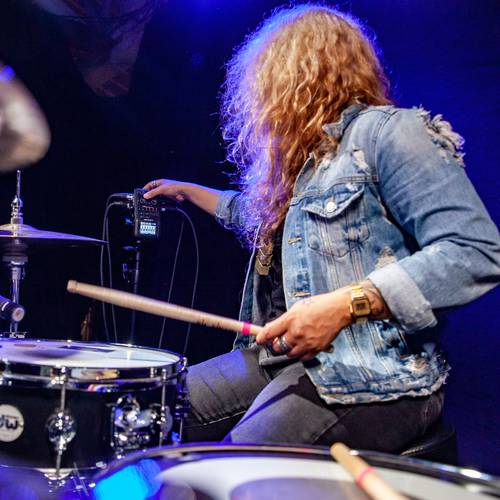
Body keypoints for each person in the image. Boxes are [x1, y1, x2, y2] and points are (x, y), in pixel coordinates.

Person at [143, 5, 500, 451]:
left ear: (300, 76)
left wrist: (345, 305)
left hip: (376, 375)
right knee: (141, 411)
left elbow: (474, 250)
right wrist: (189, 190)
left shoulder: (388, 133)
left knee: (232, 464)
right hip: (278, 361)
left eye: (267, 83)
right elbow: (245, 211)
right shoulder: (304, 170)